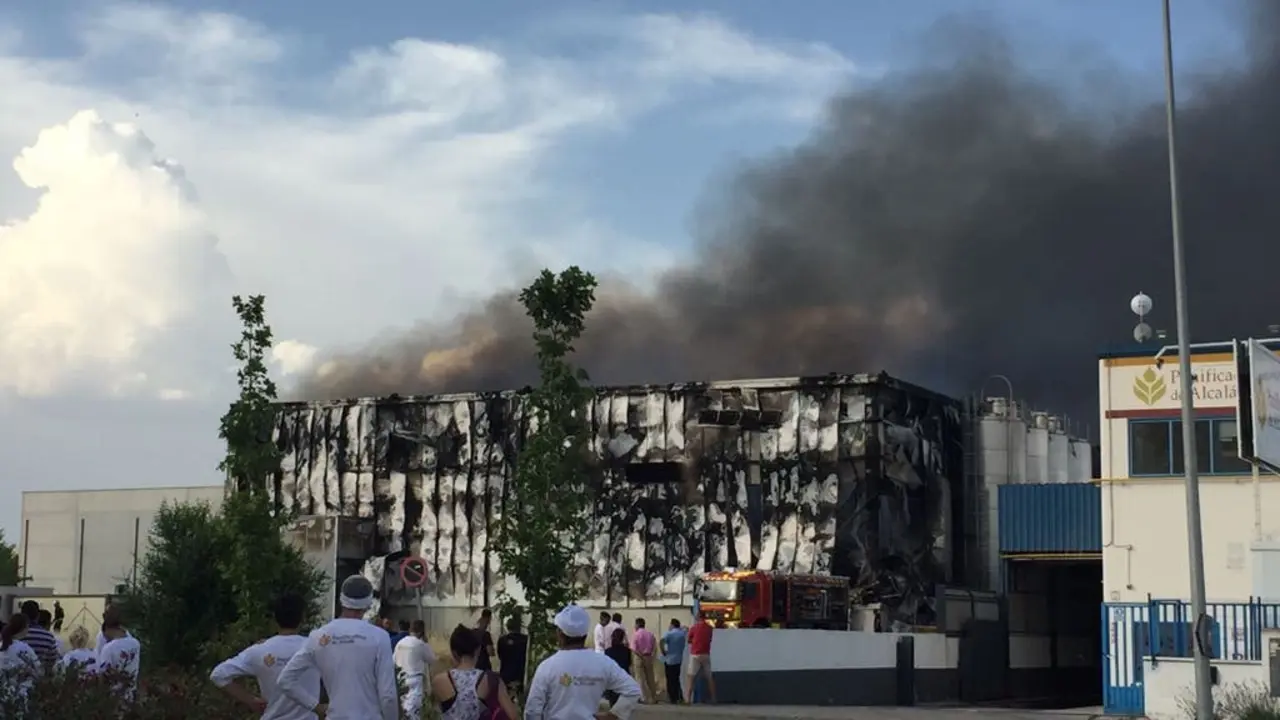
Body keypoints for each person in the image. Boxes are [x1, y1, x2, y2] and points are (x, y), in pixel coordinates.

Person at [279, 574, 400, 720]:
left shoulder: (318, 636)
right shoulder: (379, 637)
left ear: (341, 600)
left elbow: (285, 681)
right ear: (368, 604)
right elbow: (388, 696)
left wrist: (315, 707)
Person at [211, 593, 318, 720]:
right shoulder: (316, 649)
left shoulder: (260, 650)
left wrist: (250, 700)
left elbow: (218, 675)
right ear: (303, 618)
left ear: (275, 619)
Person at [525, 604, 641, 720]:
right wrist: (614, 715)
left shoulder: (547, 667)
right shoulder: (603, 663)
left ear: (559, 633)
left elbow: (532, 710)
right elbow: (633, 690)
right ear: (585, 634)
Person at [431, 624, 519, 720]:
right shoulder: (491, 679)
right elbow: (513, 716)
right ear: (478, 650)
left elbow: (436, 710)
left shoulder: (439, 681)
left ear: (453, 652)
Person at [394, 619, 437, 718]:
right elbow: (432, 659)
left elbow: (393, 660)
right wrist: (426, 643)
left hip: (401, 680)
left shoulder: (400, 643)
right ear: (422, 631)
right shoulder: (420, 644)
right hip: (415, 680)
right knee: (414, 711)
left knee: (402, 708)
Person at [98, 608, 142, 700]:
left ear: (107, 630)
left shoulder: (108, 648)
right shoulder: (135, 643)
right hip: (131, 693)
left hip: (113, 696)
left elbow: (103, 676)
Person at [0, 614, 40, 701]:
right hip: (19, 695)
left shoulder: (2, 645)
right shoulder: (25, 649)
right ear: (23, 628)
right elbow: (39, 671)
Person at [683, 619, 715, 704]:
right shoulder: (710, 628)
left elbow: (689, 640)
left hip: (695, 654)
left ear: (697, 619)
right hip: (706, 654)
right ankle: (713, 698)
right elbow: (710, 640)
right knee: (709, 677)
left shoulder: (694, 627)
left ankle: (688, 699)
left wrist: (694, 641)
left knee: (691, 677)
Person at [19, 601, 59, 668]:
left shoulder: (15, 635)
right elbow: (52, 661)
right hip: (39, 676)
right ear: (38, 616)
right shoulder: (48, 637)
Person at [496, 616, 528, 696]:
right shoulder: (525, 639)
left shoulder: (502, 640)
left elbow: (499, 655)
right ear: (519, 626)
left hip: (505, 673)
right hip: (520, 673)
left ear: (507, 627)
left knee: (505, 697)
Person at [630, 618, 658, 704]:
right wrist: (651, 656)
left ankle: (644, 698)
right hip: (648, 656)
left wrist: (640, 655)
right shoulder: (650, 634)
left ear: (638, 625)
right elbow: (654, 646)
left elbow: (634, 649)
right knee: (650, 678)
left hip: (639, 657)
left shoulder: (636, 634)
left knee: (640, 678)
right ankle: (653, 697)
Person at [659, 619, 687, 704]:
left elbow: (661, 641)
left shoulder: (669, 633)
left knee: (670, 679)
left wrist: (663, 651)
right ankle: (679, 696)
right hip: (679, 659)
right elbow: (686, 628)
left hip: (669, 659)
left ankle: (672, 698)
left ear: (672, 625)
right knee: (676, 678)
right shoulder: (682, 634)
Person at [603, 627, 632, 706]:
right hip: (623, 678)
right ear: (622, 638)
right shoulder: (627, 651)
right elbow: (629, 663)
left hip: (612, 680)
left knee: (613, 704)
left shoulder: (608, 651)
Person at [474, 608, 495, 672]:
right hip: (483, 666)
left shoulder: (472, 632)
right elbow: (490, 652)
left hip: (473, 665)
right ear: (489, 619)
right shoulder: (486, 635)